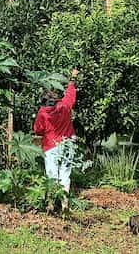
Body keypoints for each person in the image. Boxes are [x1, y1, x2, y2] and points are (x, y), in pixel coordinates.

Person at [33, 68, 79, 202]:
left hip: (51, 145)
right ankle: (64, 203)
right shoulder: (64, 106)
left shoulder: (42, 113)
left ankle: (51, 202)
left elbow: (38, 130)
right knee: (65, 174)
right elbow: (70, 94)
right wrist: (72, 78)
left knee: (52, 174)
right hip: (67, 143)